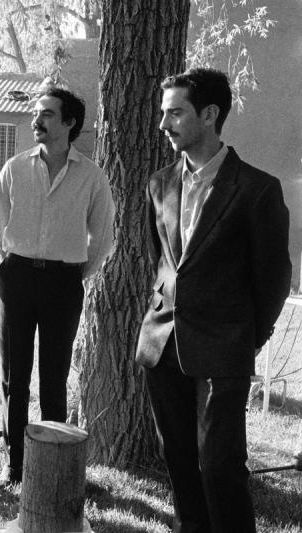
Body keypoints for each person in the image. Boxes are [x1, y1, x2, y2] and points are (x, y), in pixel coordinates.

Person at [136, 67, 291, 533]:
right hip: (162, 345)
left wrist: (247, 340)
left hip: (223, 350)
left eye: (176, 113)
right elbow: (160, 262)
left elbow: (273, 279)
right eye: (163, 113)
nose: (164, 125)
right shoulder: (158, 183)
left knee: (219, 468)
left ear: (209, 114)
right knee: (179, 464)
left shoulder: (257, 189)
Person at [0, 86, 114, 486]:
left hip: (64, 281)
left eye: (46, 114)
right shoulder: (14, 168)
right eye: (35, 114)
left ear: (69, 122)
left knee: (54, 374)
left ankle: (52, 466)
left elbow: (103, 235)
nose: (36, 120)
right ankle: (16, 465)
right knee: (15, 374)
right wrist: (13, 266)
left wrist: (75, 273)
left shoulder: (91, 176)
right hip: (17, 277)